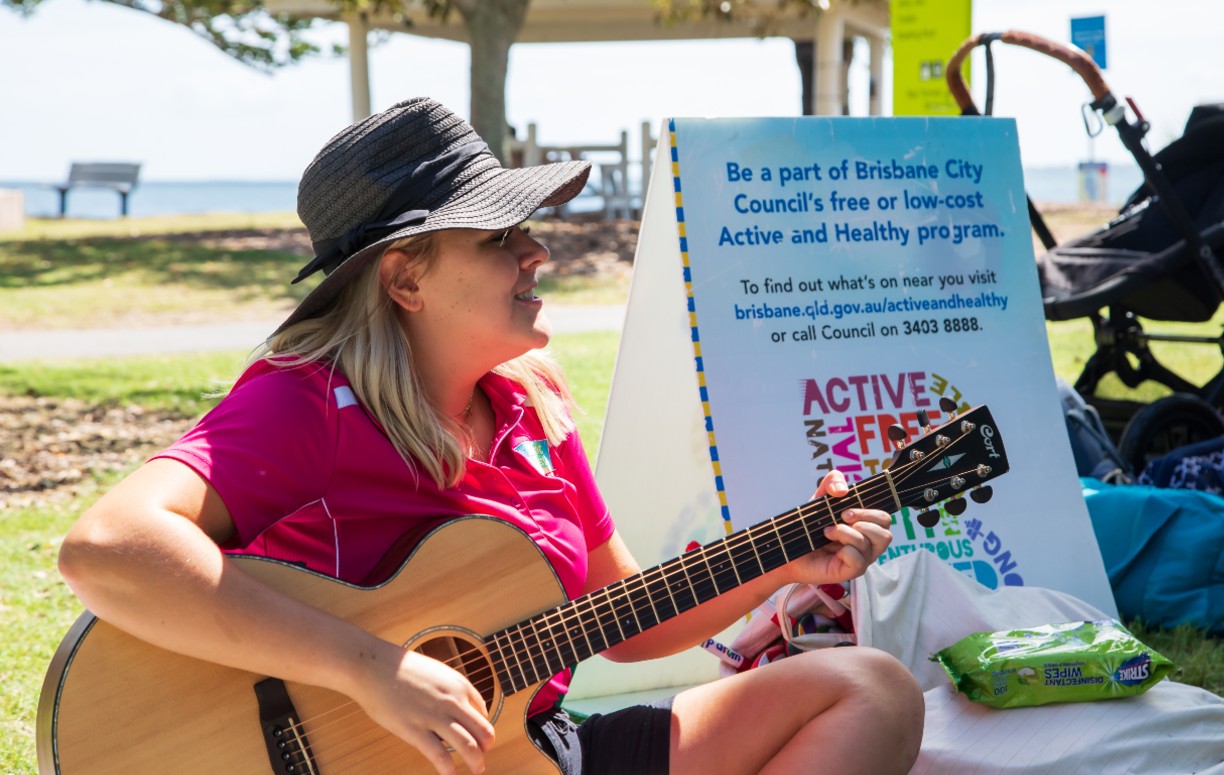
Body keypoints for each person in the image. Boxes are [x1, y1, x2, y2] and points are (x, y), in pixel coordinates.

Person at [58, 97, 924, 775]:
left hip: (532, 749)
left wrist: (787, 560)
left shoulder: (532, 405)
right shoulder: (312, 403)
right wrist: (371, 668)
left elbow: (621, 617)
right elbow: (107, 547)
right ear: (405, 279)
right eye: (501, 237)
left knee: (870, 689)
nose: (537, 252)